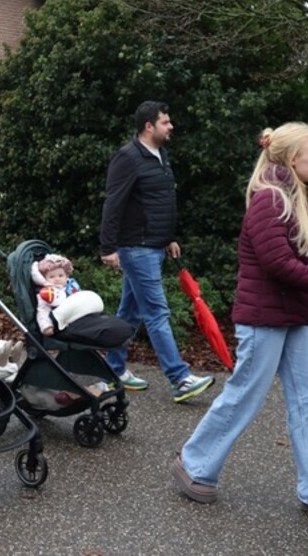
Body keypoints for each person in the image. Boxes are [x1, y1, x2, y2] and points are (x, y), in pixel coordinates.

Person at [173, 122, 308, 517]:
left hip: (291, 318)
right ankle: (194, 465)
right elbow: (281, 265)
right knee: (244, 395)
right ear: (293, 158)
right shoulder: (269, 199)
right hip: (263, 319)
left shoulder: (295, 197)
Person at [99, 101, 213, 402]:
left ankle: (112, 370)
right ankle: (179, 378)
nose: (171, 126)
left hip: (154, 244)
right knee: (157, 312)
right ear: (149, 126)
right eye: (165, 122)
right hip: (136, 248)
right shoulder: (128, 157)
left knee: (129, 313)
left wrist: (168, 238)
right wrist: (108, 247)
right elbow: (114, 202)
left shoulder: (160, 155)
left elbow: (159, 202)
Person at [31, 254, 82, 336]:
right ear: (44, 279)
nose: (57, 279)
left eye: (61, 275)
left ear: (66, 275)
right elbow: (43, 310)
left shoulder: (71, 286)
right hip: (62, 322)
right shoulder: (48, 293)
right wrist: (46, 326)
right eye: (52, 277)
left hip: (78, 315)